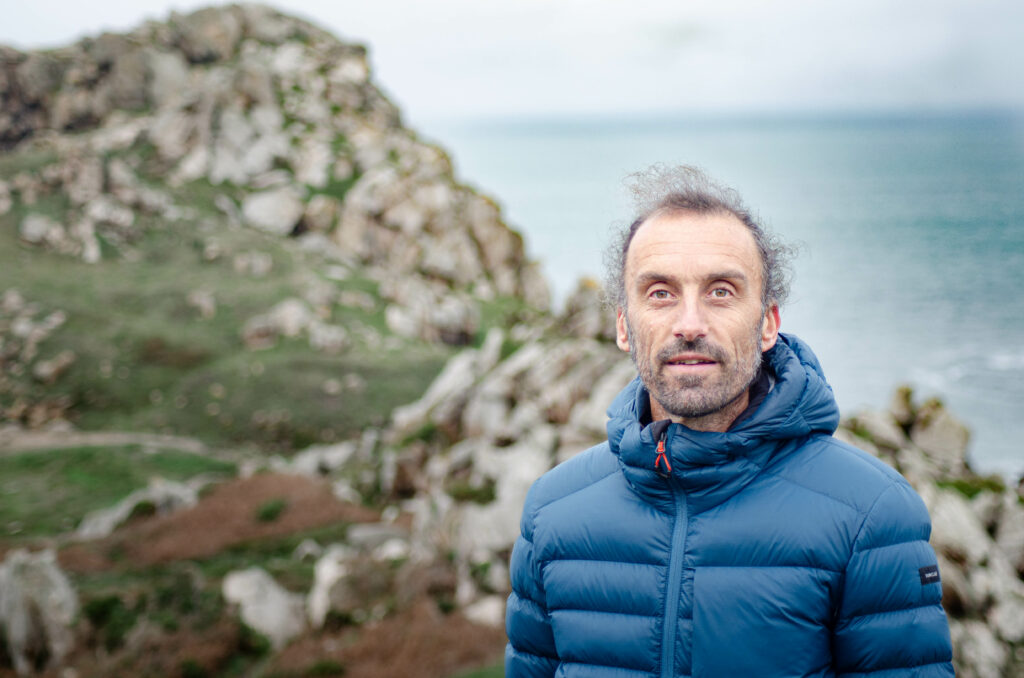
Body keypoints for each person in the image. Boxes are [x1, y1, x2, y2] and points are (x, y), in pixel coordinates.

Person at [505, 165, 954, 677]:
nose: (689, 324)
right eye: (660, 293)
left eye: (721, 291)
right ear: (623, 326)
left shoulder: (872, 517)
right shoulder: (551, 513)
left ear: (767, 323)